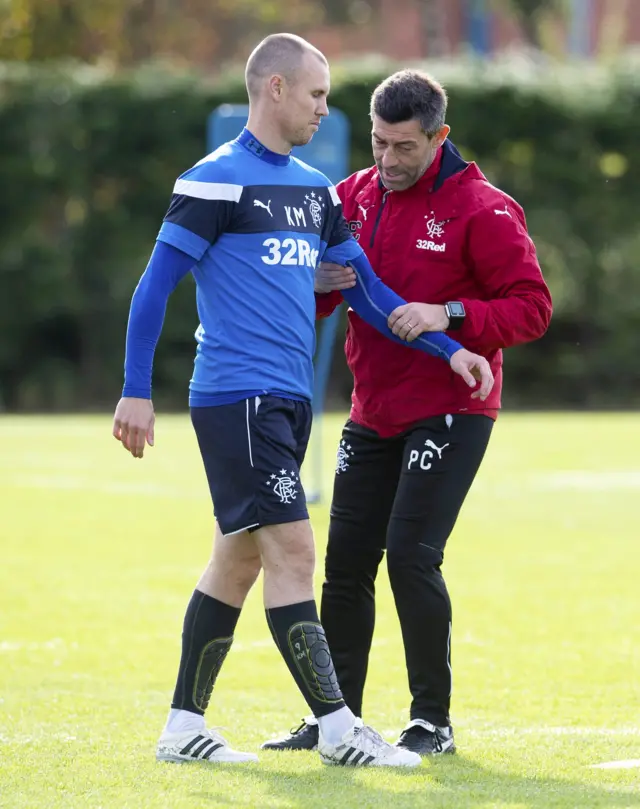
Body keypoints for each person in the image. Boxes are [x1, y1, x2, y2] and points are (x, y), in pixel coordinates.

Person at [112, 38, 495, 768]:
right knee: (293, 550)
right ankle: (338, 724)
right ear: (277, 89)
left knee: (237, 562)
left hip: (287, 402)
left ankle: (183, 724)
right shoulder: (214, 182)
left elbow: (373, 295)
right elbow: (153, 289)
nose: (327, 108)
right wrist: (135, 388)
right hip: (237, 396)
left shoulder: (317, 191)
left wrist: (454, 348)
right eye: (318, 94)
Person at [261, 69, 552, 756]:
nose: (387, 161)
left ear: (439, 137)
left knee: (412, 558)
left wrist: (448, 312)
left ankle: (432, 721)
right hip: (374, 409)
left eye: (404, 148)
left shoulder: (483, 208)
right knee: (345, 564)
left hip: (455, 404)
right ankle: (337, 717)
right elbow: (324, 298)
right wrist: (316, 284)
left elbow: (532, 308)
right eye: (378, 143)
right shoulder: (352, 196)